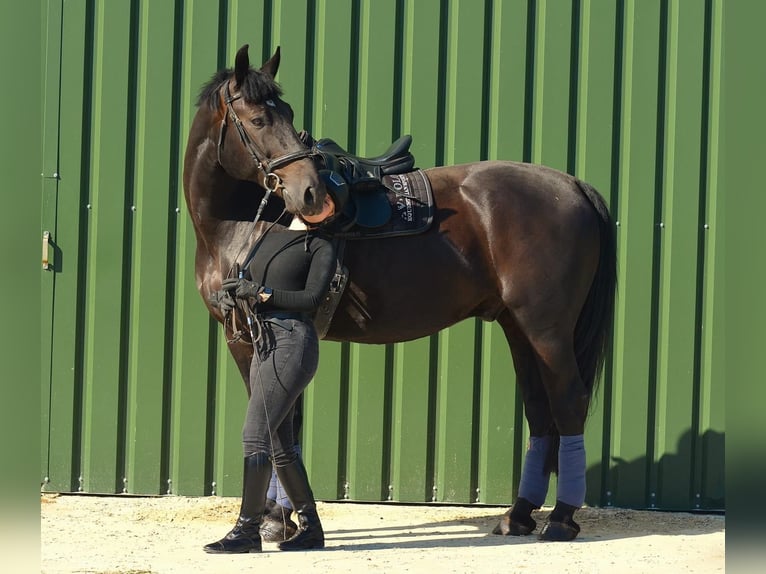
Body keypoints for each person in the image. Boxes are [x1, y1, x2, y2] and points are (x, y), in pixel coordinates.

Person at [204, 189, 339, 554]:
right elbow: (249, 280)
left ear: (329, 213)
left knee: (255, 435)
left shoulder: (321, 248)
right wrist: (232, 295)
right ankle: (311, 529)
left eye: (328, 202)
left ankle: (247, 530)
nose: (320, 203)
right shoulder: (268, 238)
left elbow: (311, 299)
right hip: (264, 341)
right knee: (280, 445)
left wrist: (262, 293)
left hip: (294, 341)